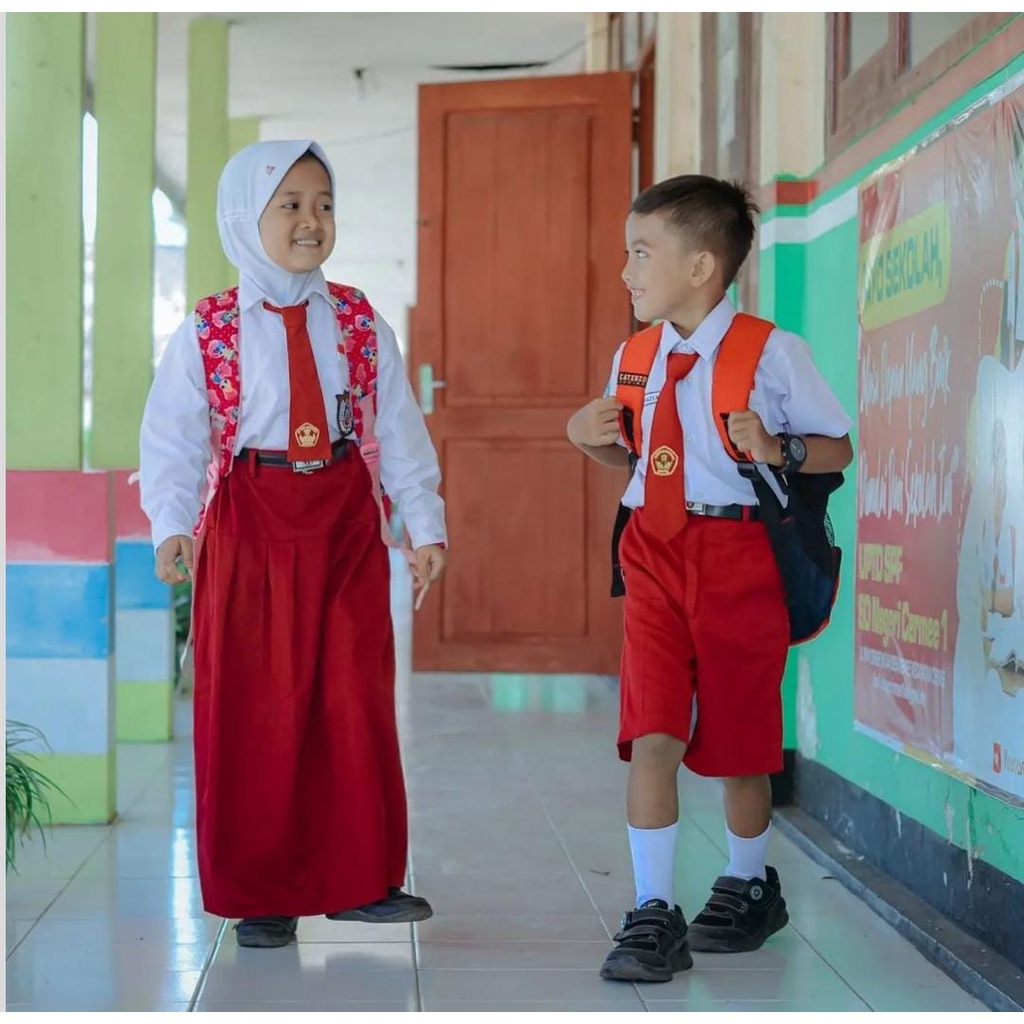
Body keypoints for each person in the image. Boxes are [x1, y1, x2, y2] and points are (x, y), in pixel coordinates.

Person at [139, 140, 447, 949]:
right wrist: (171, 523)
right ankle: (260, 894)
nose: (312, 221)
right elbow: (172, 437)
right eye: (291, 204)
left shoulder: (355, 319)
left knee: (352, 696)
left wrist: (424, 525)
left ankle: (359, 880)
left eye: (323, 204)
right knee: (255, 705)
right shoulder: (206, 329)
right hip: (249, 515)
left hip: (341, 511)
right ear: (246, 216)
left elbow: (401, 431)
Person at [566, 175, 853, 982]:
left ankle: (748, 880)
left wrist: (777, 448)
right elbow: (637, 464)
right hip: (654, 553)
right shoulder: (635, 356)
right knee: (651, 730)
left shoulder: (772, 353)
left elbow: (837, 449)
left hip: (741, 560)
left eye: (641, 253)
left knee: (737, 744)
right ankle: (654, 911)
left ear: (700, 267)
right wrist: (582, 439)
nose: (626, 270)